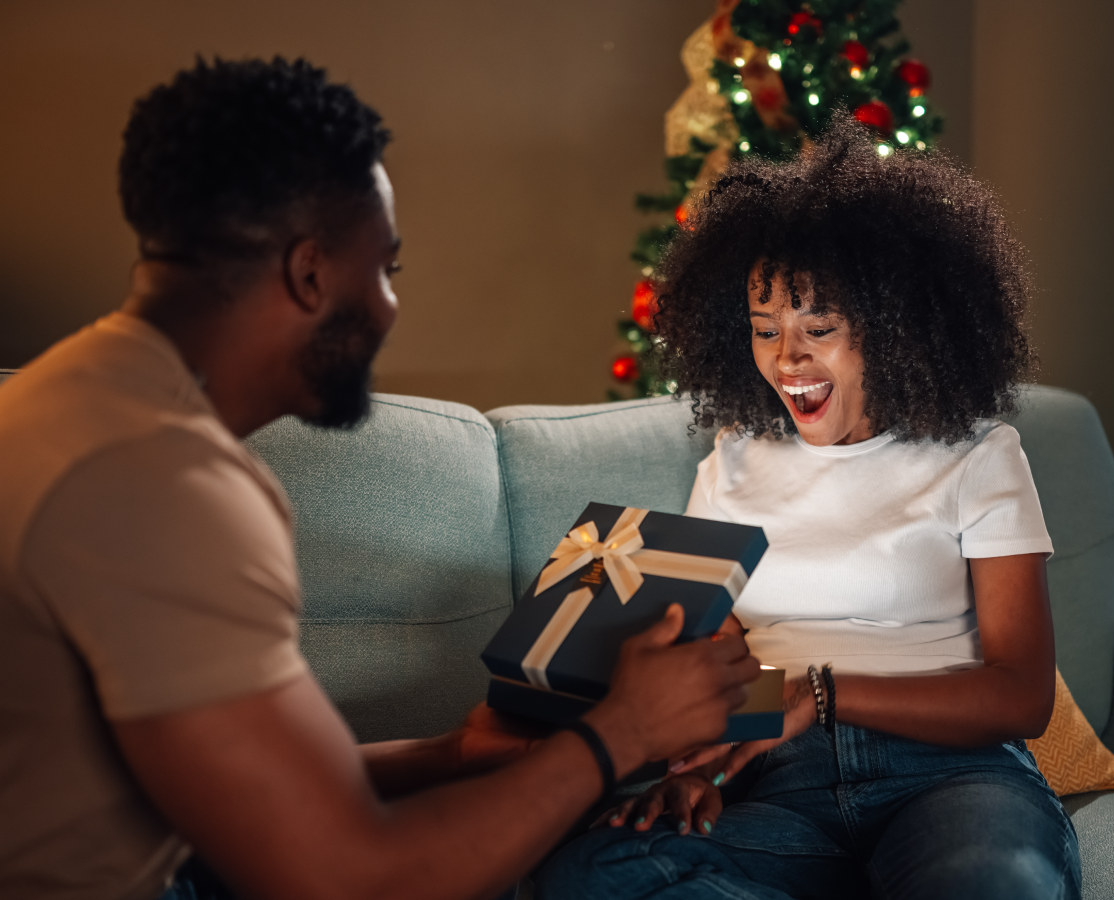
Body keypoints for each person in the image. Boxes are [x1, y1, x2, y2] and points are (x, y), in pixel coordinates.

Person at [0, 57, 763, 900]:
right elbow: (350, 875)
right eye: (387, 269)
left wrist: (450, 755)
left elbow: (242, 785)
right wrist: (621, 733)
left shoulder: (72, 403)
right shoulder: (170, 486)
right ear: (312, 273)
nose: (393, 306)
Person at [537, 116, 1082, 899]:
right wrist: (699, 767)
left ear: (895, 331)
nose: (786, 359)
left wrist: (820, 693)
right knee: (592, 870)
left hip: (953, 781)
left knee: (995, 883)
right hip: (778, 787)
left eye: (817, 327)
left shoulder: (977, 455)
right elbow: (714, 664)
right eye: (765, 330)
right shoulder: (730, 460)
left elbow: (1020, 696)